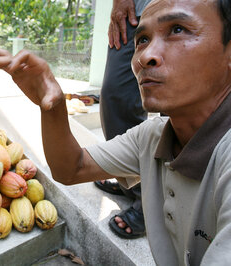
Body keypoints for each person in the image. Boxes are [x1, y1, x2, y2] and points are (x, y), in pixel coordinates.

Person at [0, 0, 231, 263]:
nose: (145, 57)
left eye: (178, 30)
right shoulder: (152, 137)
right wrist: (52, 106)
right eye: (142, 39)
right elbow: (71, 168)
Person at [95, 0, 151, 239]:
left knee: (180, 104)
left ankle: (152, 205)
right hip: (136, 11)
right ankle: (131, 179)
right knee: (115, 95)